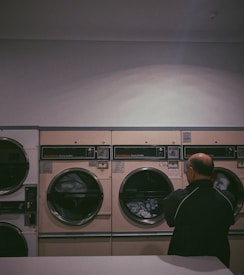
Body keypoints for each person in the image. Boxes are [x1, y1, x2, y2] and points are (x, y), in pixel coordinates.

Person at [163, 153, 236, 267]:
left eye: (187, 170)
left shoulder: (177, 198)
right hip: (218, 260)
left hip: (184, 260)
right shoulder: (228, 198)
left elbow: (170, 222)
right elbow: (229, 221)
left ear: (191, 171)